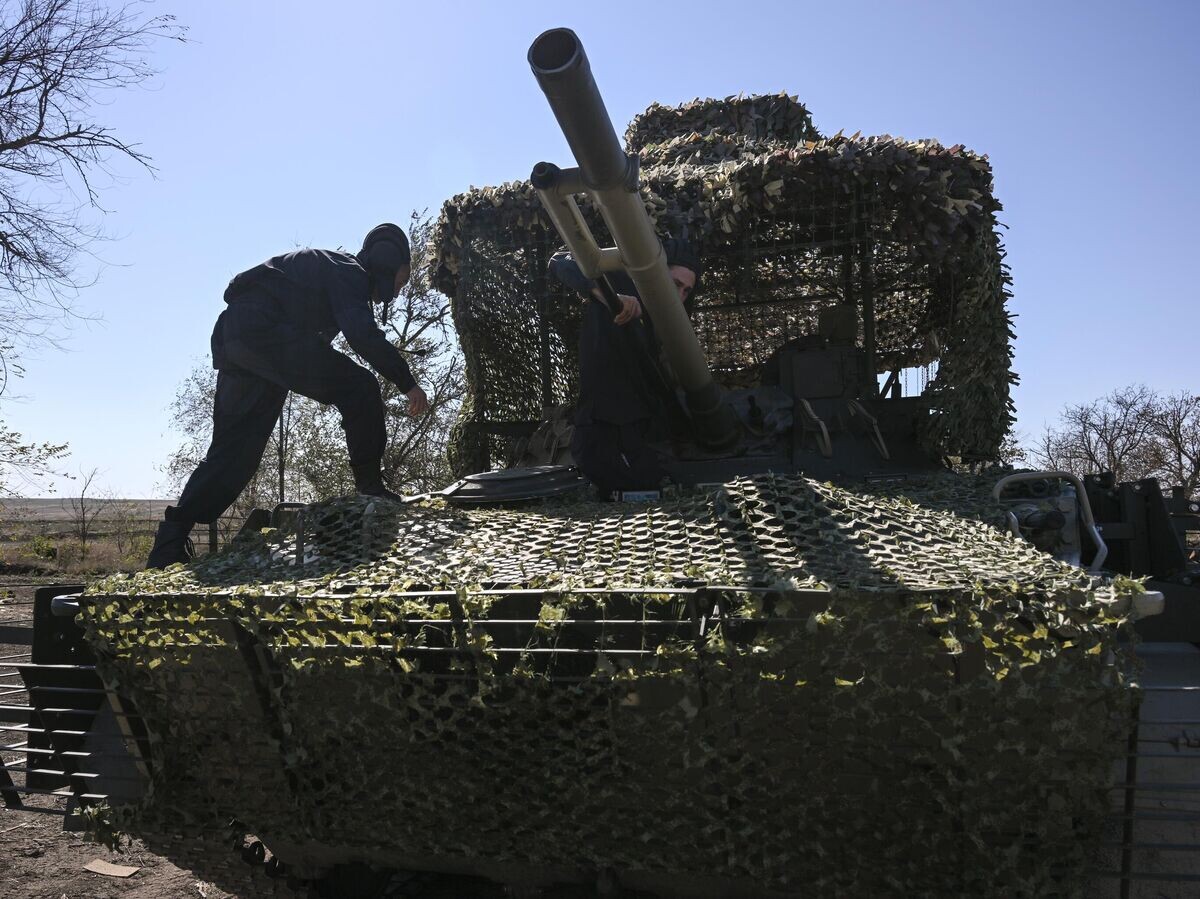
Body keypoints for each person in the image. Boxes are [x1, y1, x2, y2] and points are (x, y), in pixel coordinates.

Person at [145, 223, 429, 569]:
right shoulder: (350, 272)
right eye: (402, 279)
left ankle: (169, 543)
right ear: (387, 262)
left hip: (238, 338)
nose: (399, 290)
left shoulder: (336, 273)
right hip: (266, 332)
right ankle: (371, 488)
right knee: (360, 388)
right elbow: (361, 334)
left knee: (235, 453)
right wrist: (407, 382)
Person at [547, 238, 701, 496]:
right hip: (601, 427)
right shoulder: (620, 284)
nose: (680, 295)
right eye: (676, 284)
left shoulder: (666, 324)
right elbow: (559, 261)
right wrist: (609, 296)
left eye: (687, 291)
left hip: (643, 434)